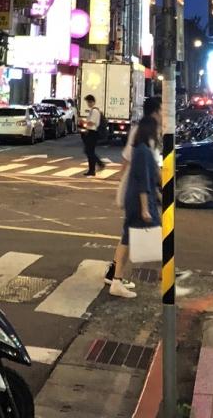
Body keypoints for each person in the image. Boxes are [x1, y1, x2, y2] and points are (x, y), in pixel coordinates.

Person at [105, 95, 162, 288]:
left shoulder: (148, 133)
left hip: (140, 190)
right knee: (131, 235)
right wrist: (123, 181)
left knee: (128, 236)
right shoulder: (142, 134)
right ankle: (116, 277)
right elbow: (134, 164)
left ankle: (116, 276)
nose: (164, 114)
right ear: (155, 112)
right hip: (137, 191)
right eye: (162, 110)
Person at [81, 95, 107, 177]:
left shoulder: (95, 111)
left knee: (89, 151)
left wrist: (84, 122)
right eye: (87, 102)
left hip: (93, 133)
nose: (88, 104)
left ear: (93, 102)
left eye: (89, 102)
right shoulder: (93, 110)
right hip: (90, 132)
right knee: (89, 151)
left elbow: (92, 122)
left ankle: (100, 164)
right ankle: (92, 170)